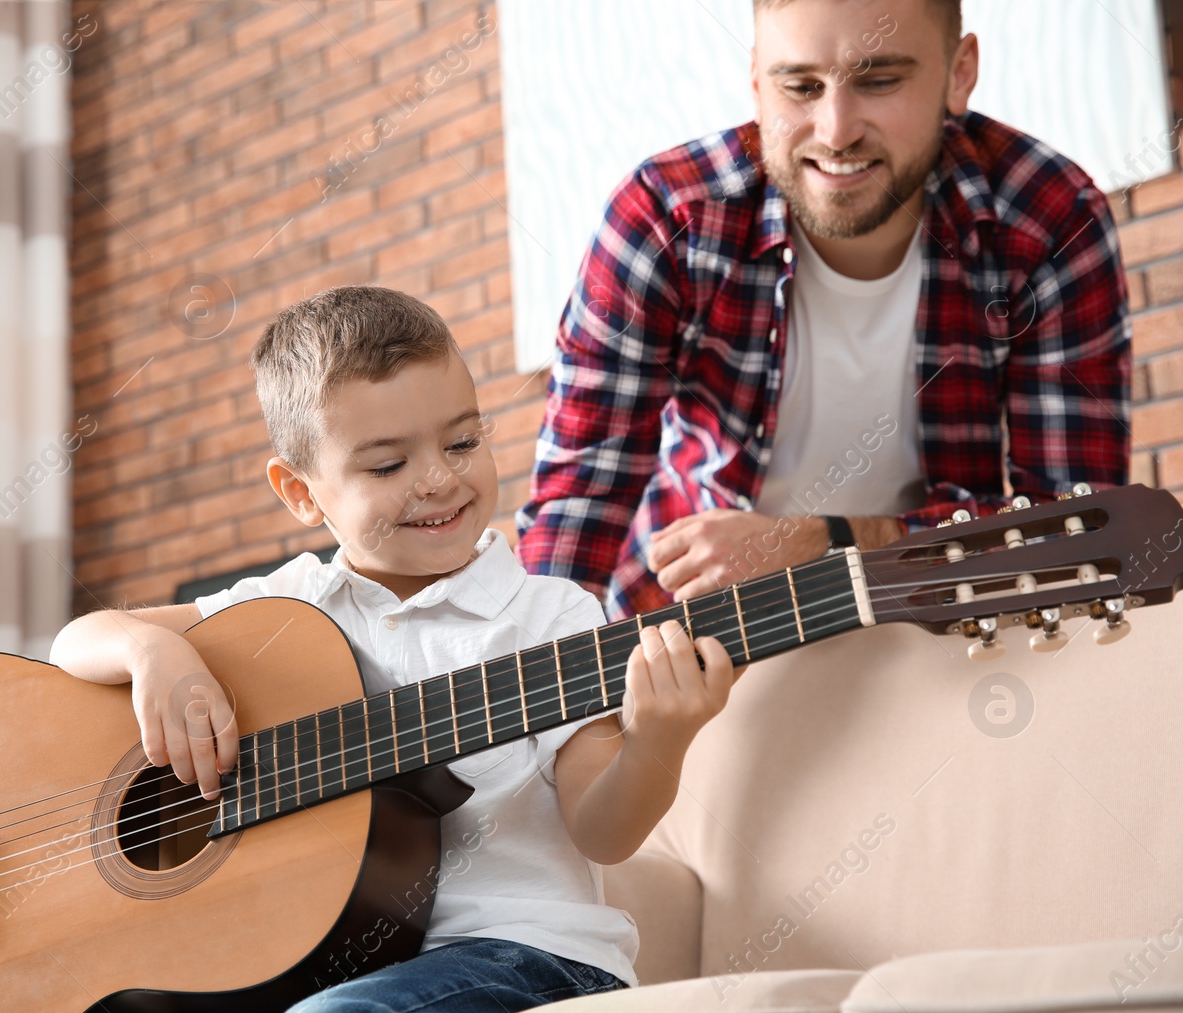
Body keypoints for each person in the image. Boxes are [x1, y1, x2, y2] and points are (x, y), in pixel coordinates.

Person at [51, 286, 740, 1011]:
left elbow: (604, 832)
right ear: (300, 493)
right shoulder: (287, 606)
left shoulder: (548, 616)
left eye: (463, 442)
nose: (439, 478)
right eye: (387, 466)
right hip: (330, 969)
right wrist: (152, 654)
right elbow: (74, 641)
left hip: (528, 953)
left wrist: (661, 736)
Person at [517, 0, 1131, 621]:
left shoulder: (1051, 218)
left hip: (936, 624)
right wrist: (554, 702)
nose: (836, 131)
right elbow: (578, 509)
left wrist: (833, 545)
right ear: (757, 85)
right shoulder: (665, 218)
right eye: (801, 87)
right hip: (695, 635)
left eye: (880, 80)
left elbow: (1080, 527)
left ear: (959, 74)